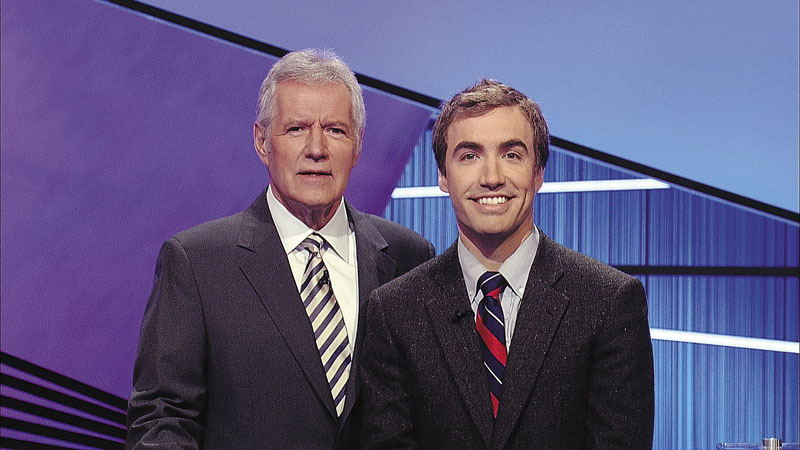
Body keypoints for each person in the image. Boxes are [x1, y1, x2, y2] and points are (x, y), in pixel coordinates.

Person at [126, 49, 435, 450]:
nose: (317, 148)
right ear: (261, 141)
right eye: (296, 129)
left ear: (357, 145)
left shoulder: (410, 257)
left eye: (336, 130)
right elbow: (161, 421)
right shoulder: (197, 262)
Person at [360, 79, 654, 450]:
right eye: (470, 155)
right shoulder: (395, 310)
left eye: (511, 155)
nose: (491, 177)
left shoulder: (608, 302)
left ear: (538, 172)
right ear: (442, 176)